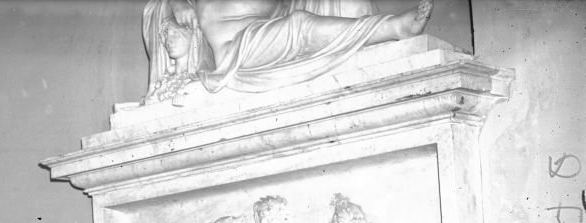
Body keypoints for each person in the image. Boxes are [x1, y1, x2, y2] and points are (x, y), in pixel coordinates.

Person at [143, 0, 433, 94]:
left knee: (297, 23)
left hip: (267, 35)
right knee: (298, 26)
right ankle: (393, 28)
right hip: (237, 50)